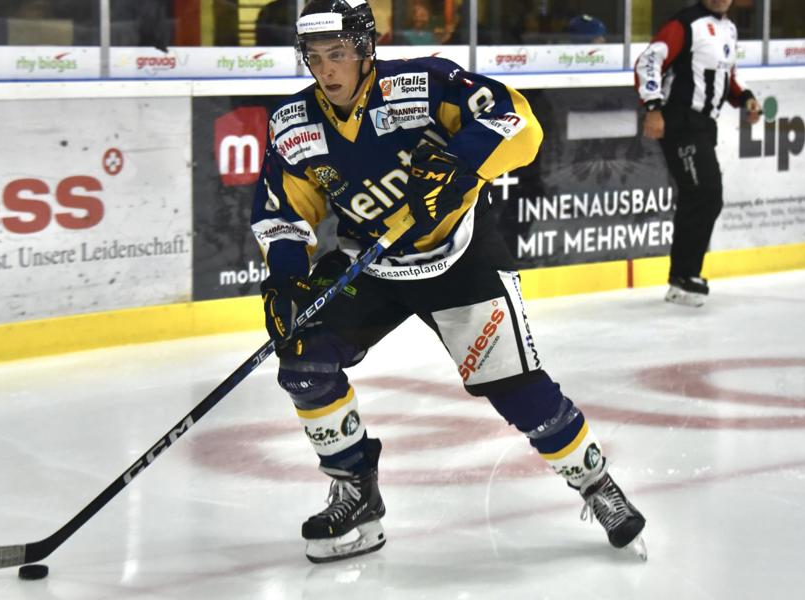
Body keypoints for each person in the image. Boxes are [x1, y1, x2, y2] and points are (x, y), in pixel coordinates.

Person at [250, 0, 646, 564]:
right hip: (374, 263)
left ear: (366, 49)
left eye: (337, 54)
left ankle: (595, 484)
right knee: (304, 359)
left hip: (457, 257)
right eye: (313, 57)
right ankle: (356, 492)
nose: (326, 69)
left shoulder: (423, 83)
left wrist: (460, 161)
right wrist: (287, 280)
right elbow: (283, 212)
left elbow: (517, 120)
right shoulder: (294, 124)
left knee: (516, 389)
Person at [635, 0, 762, 306]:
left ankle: (685, 275)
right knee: (704, 193)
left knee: (704, 196)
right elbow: (648, 61)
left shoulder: (729, 28)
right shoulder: (684, 24)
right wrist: (653, 106)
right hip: (680, 122)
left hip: (704, 125)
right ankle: (683, 277)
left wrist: (746, 98)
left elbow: (726, 75)